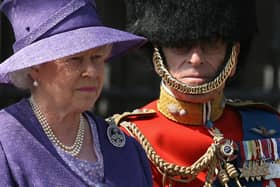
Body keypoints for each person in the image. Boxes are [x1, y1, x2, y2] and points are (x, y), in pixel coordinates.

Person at [108, 0, 280, 186]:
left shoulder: (268, 128)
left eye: (211, 43)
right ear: (157, 55)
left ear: (233, 54)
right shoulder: (127, 139)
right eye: (180, 44)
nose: (196, 59)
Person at [0, 0, 152, 186]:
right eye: (75, 59)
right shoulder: (6, 142)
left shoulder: (126, 149)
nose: (92, 72)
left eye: (97, 58)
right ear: (34, 67)